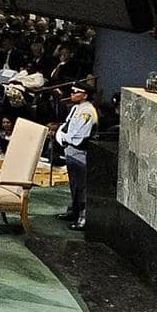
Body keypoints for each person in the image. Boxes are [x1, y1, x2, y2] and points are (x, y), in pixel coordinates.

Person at [54, 86, 98, 229]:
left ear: (85, 95)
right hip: (70, 150)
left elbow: (80, 136)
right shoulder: (75, 108)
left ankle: (83, 217)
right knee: (74, 184)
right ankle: (75, 210)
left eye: (76, 92)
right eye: (72, 91)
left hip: (80, 152)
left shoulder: (88, 111)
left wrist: (64, 137)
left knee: (81, 186)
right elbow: (67, 126)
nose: (72, 94)